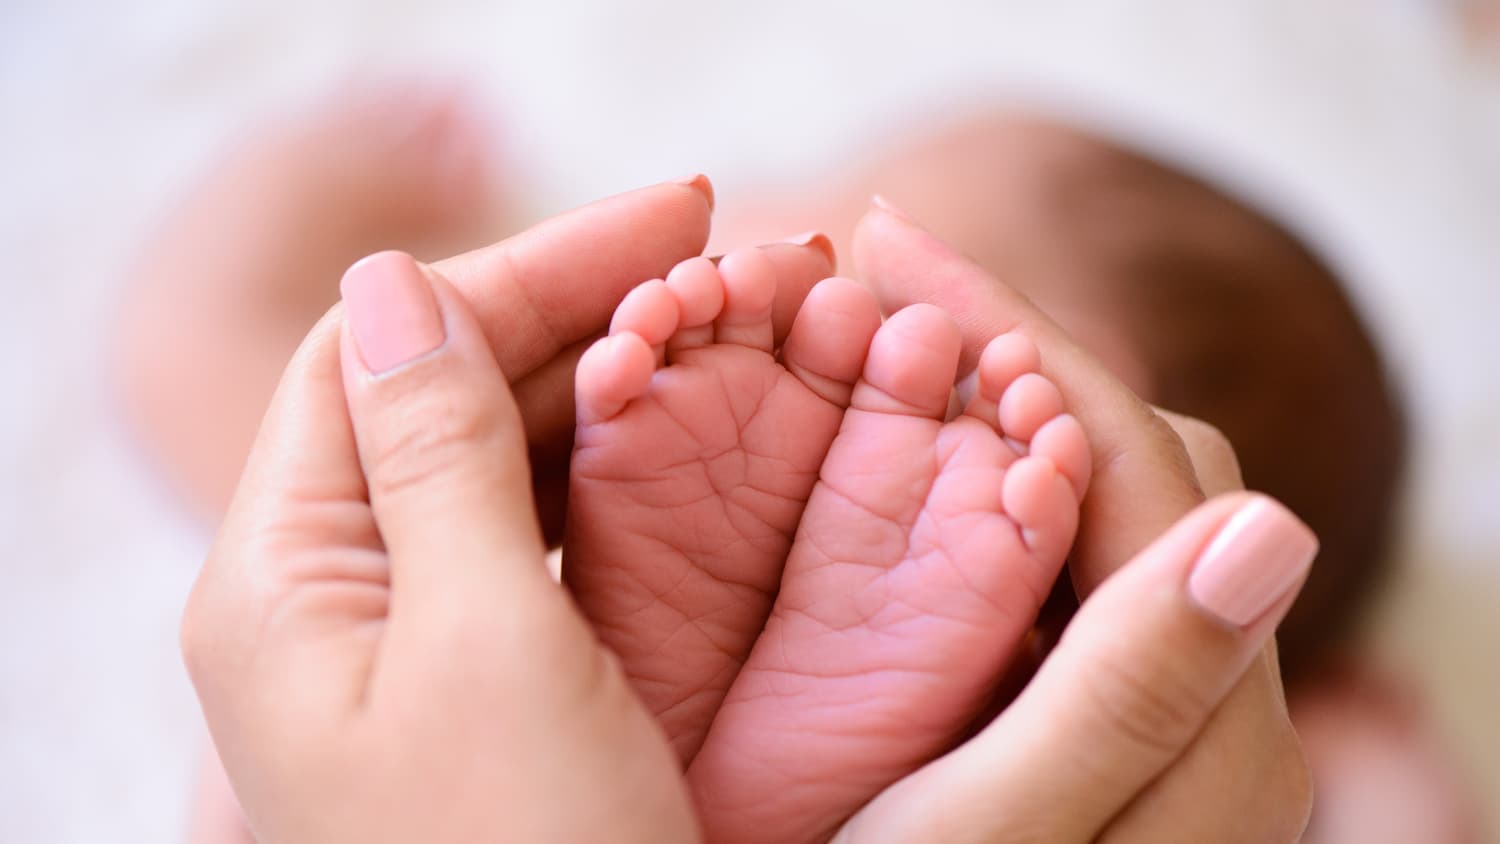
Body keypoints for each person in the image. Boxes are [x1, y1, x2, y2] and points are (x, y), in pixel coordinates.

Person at [181, 178, 1316, 841]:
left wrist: (208, 289)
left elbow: (264, 440)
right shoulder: (1280, 749)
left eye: (836, 170)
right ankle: (760, 778)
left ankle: (665, 730)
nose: (782, 194)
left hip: (428, 768)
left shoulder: (477, 512)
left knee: (272, 750)